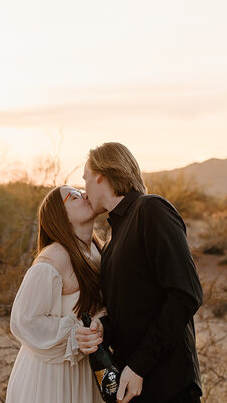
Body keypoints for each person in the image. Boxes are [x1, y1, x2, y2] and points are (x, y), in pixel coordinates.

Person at [76, 142, 204, 403]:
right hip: (133, 386)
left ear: (101, 174)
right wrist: (104, 328)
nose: (84, 189)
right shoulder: (113, 240)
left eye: (85, 179)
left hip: (168, 385)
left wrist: (139, 366)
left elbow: (186, 294)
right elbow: (133, 308)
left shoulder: (151, 210)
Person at [5, 185, 106, 403]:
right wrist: (75, 335)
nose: (85, 194)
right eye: (74, 196)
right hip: (53, 376)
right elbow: (24, 321)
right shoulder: (52, 260)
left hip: (88, 370)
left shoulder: (99, 252)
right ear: (61, 217)